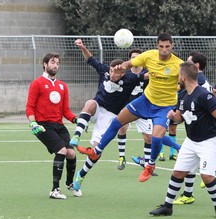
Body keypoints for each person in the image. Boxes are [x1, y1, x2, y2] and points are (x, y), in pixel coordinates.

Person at [75, 32, 184, 189]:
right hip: (145, 101)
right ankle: (96, 151)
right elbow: (128, 64)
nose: (164, 50)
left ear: (172, 46)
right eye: (161, 47)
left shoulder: (178, 65)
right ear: (157, 46)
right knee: (117, 122)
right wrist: (121, 67)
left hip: (164, 107)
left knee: (156, 138)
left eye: (167, 47)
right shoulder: (149, 56)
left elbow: (187, 82)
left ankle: (150, 165)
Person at [69, 39, 148, 188]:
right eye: (111, 71)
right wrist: (82, 47)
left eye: (116, 72)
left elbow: (147, 76)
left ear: (123, 72)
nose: (112, 74)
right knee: (90, 103)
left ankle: (81, 176)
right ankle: (77, 135)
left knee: (97, 150)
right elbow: (90, 58)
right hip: (97, 107)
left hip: (110, 115)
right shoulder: (104, 70)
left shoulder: (130, 78)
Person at [149, 61, 216, 216]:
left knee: (207, 176)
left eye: (179, 75)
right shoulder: (183, 95)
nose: (177, 78)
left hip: (209, 141)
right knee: (178, 172)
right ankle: (167, 206)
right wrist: (174, 117)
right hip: (191, 141)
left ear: (184, 77)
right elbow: (180, 118)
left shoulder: (204, 96)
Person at [25, 52, 82, 200]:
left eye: (57, 63)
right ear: (45, 64)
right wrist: (33, 123)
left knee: (71, 153)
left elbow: (66, 111)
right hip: (43, 126)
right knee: (62, 150)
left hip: (59, 125)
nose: (55, 65)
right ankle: (54, 190)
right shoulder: (37, 83)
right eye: (52, 62)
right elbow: (30, 107)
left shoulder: (62, 86)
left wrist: (76, 120)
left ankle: (70, 184)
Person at [173, 50, 213, 204]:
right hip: (195, 130)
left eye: (188, 62)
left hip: (206, 132)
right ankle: (187, 194)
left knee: (204, 171)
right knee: (189, 163)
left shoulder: (198, 82)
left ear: (196, 66)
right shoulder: (196, 83)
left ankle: (189, 193)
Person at [117, 49, 153, 171]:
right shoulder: (125, 74)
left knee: (149, 137)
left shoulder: (147, 74)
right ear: (129, 59)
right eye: (133, 57)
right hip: (128, 107)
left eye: (137, 57)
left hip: (143, 108)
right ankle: (122, 157)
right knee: (122, 127)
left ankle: (147, 165)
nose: (135, 59)